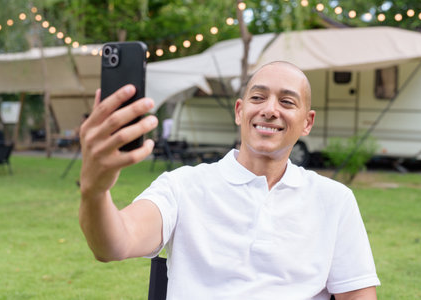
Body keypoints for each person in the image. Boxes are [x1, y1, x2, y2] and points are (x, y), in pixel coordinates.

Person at [79, 61, 380, 299]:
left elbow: (357, 294)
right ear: (240, 111)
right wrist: (94, 191)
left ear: (307, 122)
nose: (270, 110)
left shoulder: (334, 200)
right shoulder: (182, 186)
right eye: (258, 97)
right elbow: (113, 245)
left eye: (287, 102)